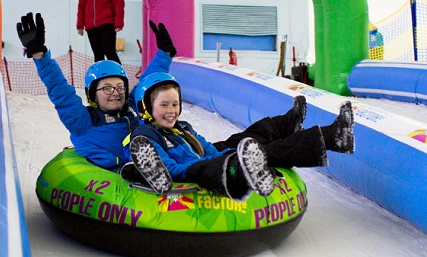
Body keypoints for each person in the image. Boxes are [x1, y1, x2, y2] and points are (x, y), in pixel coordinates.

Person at [126, 72, 355, 199]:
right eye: (164, 105)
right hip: (193, 170)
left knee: (243, 140)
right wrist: (222, 160)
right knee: (261, 153)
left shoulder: (182, 127)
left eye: (175, 104)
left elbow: (209, 149)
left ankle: (287, 124)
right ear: (145, 108)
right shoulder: (146, 136)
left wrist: (228, 153)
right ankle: (331, 137)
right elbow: (170, 169)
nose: (171, 111)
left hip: (204, 160)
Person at [16, 12, 177, 173]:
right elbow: (61, 92)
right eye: (107, 88)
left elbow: (148, 84)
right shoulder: (83, 120)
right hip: (110, 177)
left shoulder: (131, 109)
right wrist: (40, 56)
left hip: (149, 171)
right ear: (93, 94)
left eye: (120, 87)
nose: (116, 92)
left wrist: (164, 54)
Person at [76, 0, 124, 64]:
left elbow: (118, 1)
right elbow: (82, 4)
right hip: (91, 25)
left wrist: (119, 22)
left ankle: (119, 76)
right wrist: (80, 24)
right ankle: (101, 76)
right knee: (98, 55)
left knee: (109, 52)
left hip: (107, 22)